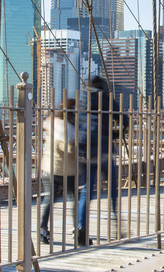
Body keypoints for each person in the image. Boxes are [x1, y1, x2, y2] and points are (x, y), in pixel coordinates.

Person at [75, 76, 129, 246]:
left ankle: (81, 228)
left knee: (86, 191)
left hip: (85, 149)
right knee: (113, 189)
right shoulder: (105, 98)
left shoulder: (82, 100)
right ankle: (117, 226)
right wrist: (115, 134)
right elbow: (124, 120)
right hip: (103, 148)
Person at [38, 99, 77, 245]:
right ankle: (77, 228)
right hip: (66, 169)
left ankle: (43, 229)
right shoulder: (65, 127)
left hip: (48, 167)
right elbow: (66, 147)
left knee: (49, 200)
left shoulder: (50, 122)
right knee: (74, 200)